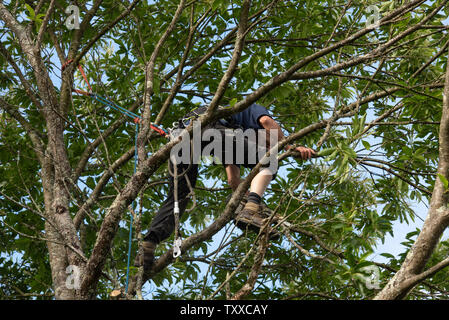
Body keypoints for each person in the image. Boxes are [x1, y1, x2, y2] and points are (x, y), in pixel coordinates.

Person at [136, 103, 316, 273]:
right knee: (268, 160)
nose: (270, 147)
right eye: (269, 143)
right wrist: (290, 146)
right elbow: (267, 122)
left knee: (179, 197)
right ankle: (251, 210)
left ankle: (148, 246)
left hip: (182, 140)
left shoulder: (233, 139)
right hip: (208, 127)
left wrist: (249, 204)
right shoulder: (250, 112)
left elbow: (233, 180)